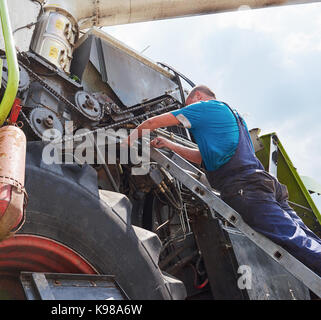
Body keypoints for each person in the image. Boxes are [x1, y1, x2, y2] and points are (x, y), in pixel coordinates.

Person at [127, 85, 321, 277]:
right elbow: (203, 158)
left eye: (189, 104)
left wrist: (129, 139)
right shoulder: (232, 116)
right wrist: (170, 144)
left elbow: (153, 122)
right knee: (303, 236)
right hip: (263, 184)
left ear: (198, 97)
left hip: (246, 188)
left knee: (291, 239)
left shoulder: (203, 107)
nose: (188, 111)